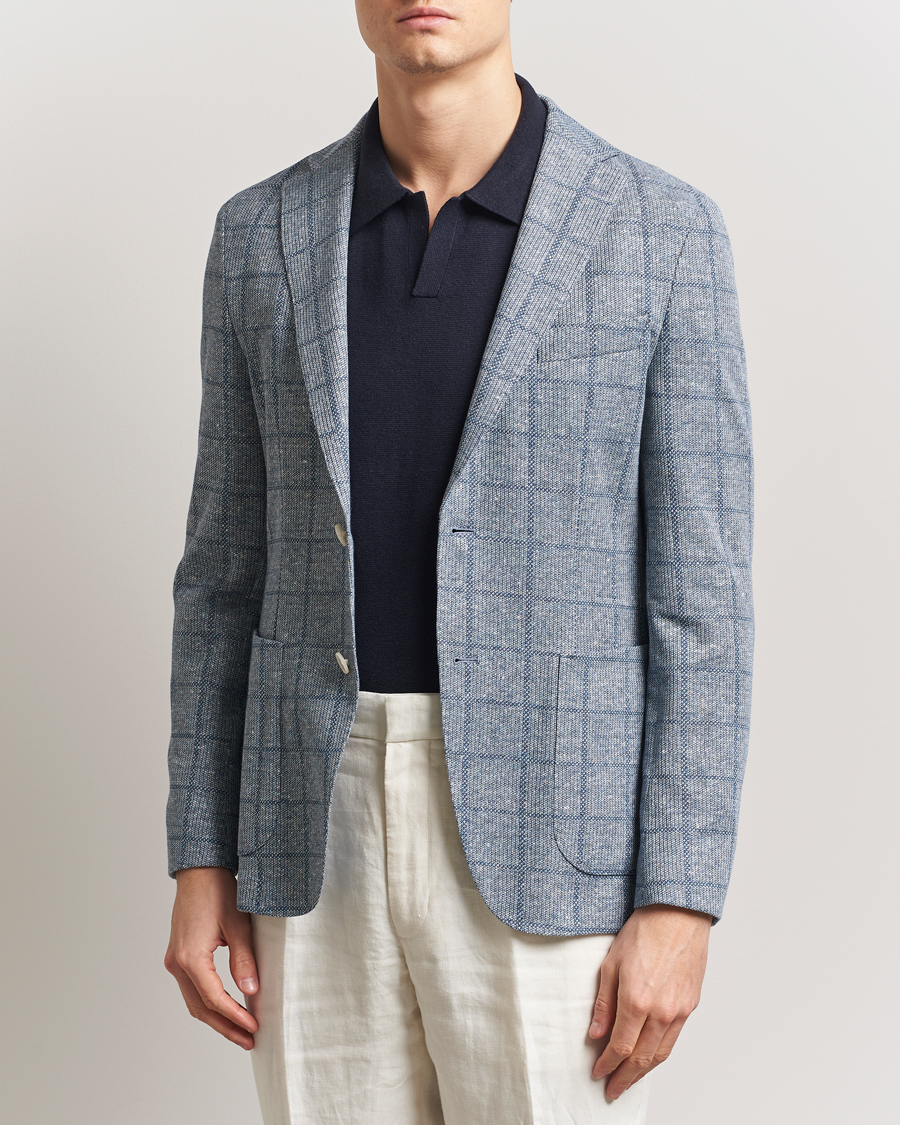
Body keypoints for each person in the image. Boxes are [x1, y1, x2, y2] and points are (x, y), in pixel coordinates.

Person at [163, 2, 754, 1122]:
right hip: (309, 827)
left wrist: (682, 897)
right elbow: (221, 574)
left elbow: (703, 602)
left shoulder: (660, 231)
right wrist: (201, 857)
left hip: (553, 837)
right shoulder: (260, 234)